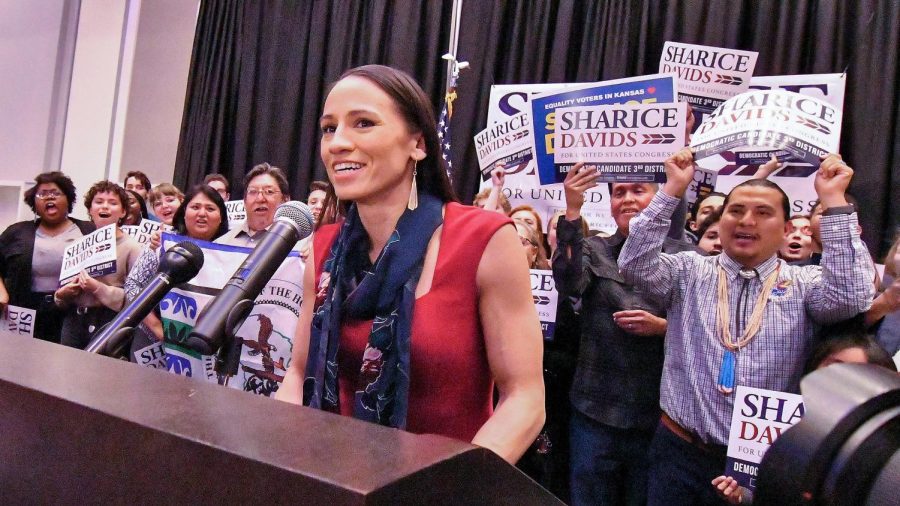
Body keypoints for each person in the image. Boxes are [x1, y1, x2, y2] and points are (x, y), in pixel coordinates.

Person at [275, 64, 544, 464]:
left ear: (417, 144)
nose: (338, 143)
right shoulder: (323, 247)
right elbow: (297, 376)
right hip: (335, 478)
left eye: (363, 123)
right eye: (329, 128)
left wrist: (452, 487)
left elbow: (524, 399)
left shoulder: (484, 239)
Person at [618, 148, 875, 505]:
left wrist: (833, 199)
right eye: (735, 211)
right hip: (679, 451)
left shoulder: (805, 285)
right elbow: (633, 264)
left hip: (759, 461)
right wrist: (671, 190)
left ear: (786, 229)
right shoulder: (688, 272)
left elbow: (852, 296)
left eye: (763, 213)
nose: (746, 221)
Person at [555, 163, 697, 506]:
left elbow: (705, 328)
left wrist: (664, 327)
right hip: (595, 411)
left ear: (659, 197)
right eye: (619, 192)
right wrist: (573, 209)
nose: (628, 199)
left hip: (657, 417)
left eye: (638, 190)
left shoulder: (688, 257)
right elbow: (568, 281)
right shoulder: (594, 249)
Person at [124, 184, 229, 352]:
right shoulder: (160, 243)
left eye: (210, 208)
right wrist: (157, 328)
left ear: (221, 217)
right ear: (184, 212)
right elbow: (132, 286)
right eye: (195, 207)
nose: (202, 213)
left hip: (202, 349)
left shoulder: (229, 254)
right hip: (152, 342)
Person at [0, 172, 95, 343]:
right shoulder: (17, 232)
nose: (49, 197)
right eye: (42, 194)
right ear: (34, 202)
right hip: (24, 315)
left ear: (68, 200)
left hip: (73, 314)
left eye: (56, 193)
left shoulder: (89, 230)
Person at [55, 181, 142, 349]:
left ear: (123, 212)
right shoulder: (77, 245)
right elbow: (60, 294)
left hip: (108, 322)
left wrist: (98, 288)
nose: (105, 207)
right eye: (99, 201)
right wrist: (62, 294)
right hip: (73, 321)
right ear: (90, 210)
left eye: (113, 202)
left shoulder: (133, 247)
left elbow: (136, 300)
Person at [218, 163, 290, 247]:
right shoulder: (221, 245)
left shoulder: (302, 248)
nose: (260, 199)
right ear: (244, 201)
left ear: (285, 200)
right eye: (253, 192)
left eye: (269, 191)